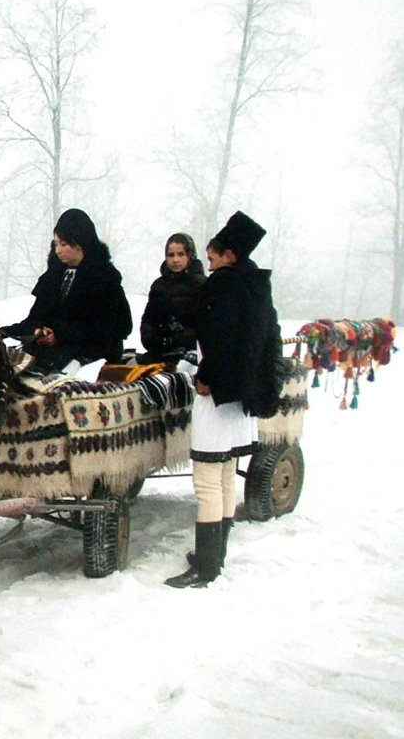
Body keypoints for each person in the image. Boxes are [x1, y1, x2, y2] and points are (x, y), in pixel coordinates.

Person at [165, 211, 275, 589]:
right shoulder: (257, 285)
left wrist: (206, 378)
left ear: (229, 255)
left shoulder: (224, 285)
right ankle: (216, 555)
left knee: (208, 481)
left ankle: (206, 567)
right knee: (227, 473)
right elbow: (264, 341)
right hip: (241, 395)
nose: (208, 266)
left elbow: (222, 338)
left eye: (211, 258)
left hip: (218, 393)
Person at [0, 208, 132, 373]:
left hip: (90, 356)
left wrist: (60, 335)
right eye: (56, 244)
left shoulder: (105, 279)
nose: (58, 250)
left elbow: (115, 327)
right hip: (52, 354)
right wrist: (36, 331)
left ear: (81, 242)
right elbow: (37, 317)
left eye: (64, 244)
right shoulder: (52, 278)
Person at [139, 232, 207, 363]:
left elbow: (205, 326)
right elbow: (148, 320)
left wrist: (177, 338)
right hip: (161, 352)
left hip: (192, 354)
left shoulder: (202, 285)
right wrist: (153, 339)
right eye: (171, 255)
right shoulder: (159, 286)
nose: (175, 260)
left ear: (190, 256)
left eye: (181, 254)